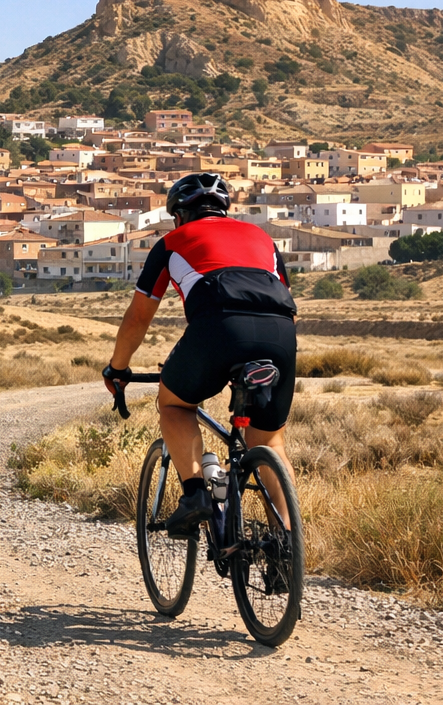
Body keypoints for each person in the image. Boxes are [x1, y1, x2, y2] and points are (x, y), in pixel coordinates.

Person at [102, 172, 298, 539]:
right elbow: (287, 302)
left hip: (218, 328)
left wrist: (118, 367)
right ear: (224, 210)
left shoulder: (172, 242)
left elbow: (139, 317)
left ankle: (195, 495)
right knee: (269, 441)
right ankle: (287, 545)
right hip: (280, 334)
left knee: (174, 405)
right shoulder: (263, 238)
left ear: (179, 215)